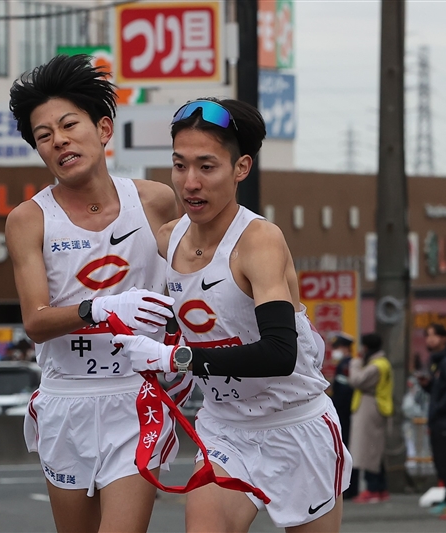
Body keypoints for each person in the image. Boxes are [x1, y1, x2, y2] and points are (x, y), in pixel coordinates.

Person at [112, 98, 350, 533]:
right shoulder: (169, 238)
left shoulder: (259, 241)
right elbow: (180, 322)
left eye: (207, 167)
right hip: (226, 430)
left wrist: (175, 359)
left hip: (295, 424)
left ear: (241, 168)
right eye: (179, 165)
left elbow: (279, 353)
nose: (190, 183)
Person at [5, 54, 179, 533]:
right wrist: (97, 308)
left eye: (68, 125)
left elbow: (189, 283)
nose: (59, 140)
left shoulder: (155, 200)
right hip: (67, 399)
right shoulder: (29, 219)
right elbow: (36, 321)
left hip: (135, 395)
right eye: (44, 136)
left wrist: (181, 352)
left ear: (103, 129)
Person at [418, 323, 446, 515]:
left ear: (444, 338)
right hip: (439, 419)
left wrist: (438, 408)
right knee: (440, 461)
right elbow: (441, 390)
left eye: (434, 335)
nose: (430, 339)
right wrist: (427, 386)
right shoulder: (436, 361)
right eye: (427, 335)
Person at [349, 332, 392, 504]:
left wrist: (355, 363)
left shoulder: (375, 366)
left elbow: (356, 380)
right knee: (374, 450)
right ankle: (380, 488)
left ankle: (373, 488)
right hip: (374, 407)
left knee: (368, 450)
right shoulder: (382, 363)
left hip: (370, 407)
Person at [329, 331, 359, 500]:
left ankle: (349, 487)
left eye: (337, 347)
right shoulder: (343, 364)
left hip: (344, 413)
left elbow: (345, 392)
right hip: (342, 413)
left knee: (346, 448)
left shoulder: (348, 364)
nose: (335, 351)